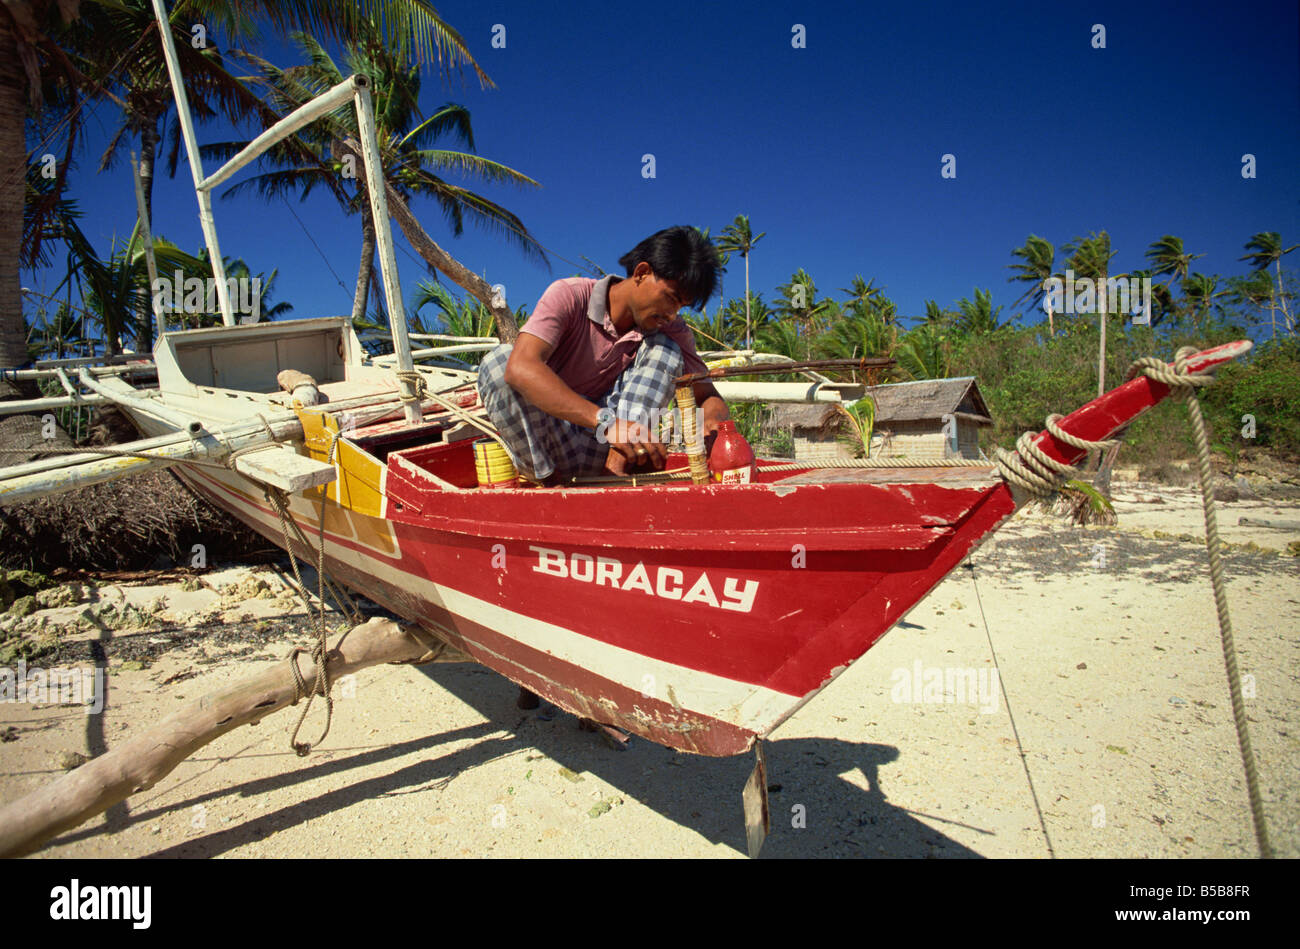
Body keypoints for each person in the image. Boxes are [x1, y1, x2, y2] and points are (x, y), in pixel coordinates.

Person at [477, 226, 731, 483]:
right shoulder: (570, 295)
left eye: (681, 307)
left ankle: (615, 471)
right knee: (500, 362)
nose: (672, 314)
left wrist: (715, 426)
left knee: (666, 350)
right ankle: (551, 487)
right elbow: (520, 367)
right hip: (553, 449)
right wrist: (608, 423)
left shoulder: (671, 329)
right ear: (642, 273)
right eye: (671, 298)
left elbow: (708, 396)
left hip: (606, 451)